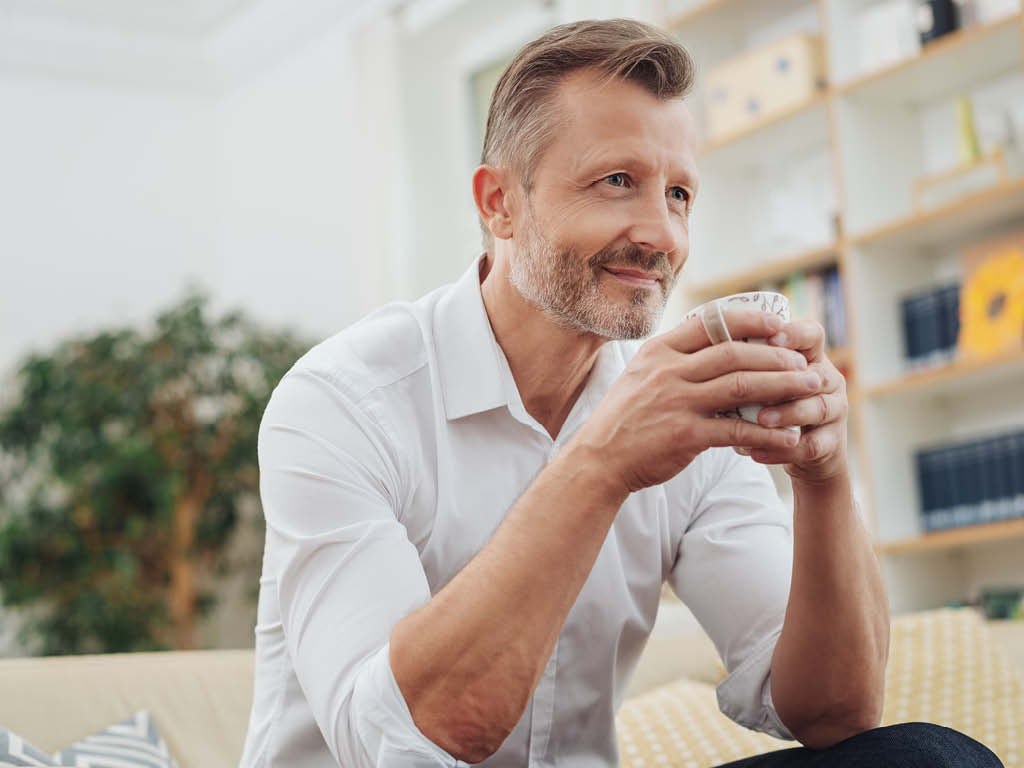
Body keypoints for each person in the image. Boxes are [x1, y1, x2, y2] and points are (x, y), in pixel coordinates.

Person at [238, 18, 1003, 768]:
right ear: (498, 203)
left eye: (678, 195)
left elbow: (836, 716)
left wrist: (823, 477)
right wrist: (603, 460)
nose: (662, 234)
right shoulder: (342, 403)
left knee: (925, 758)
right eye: (617, 182)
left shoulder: (686, 411)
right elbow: (406, 744)